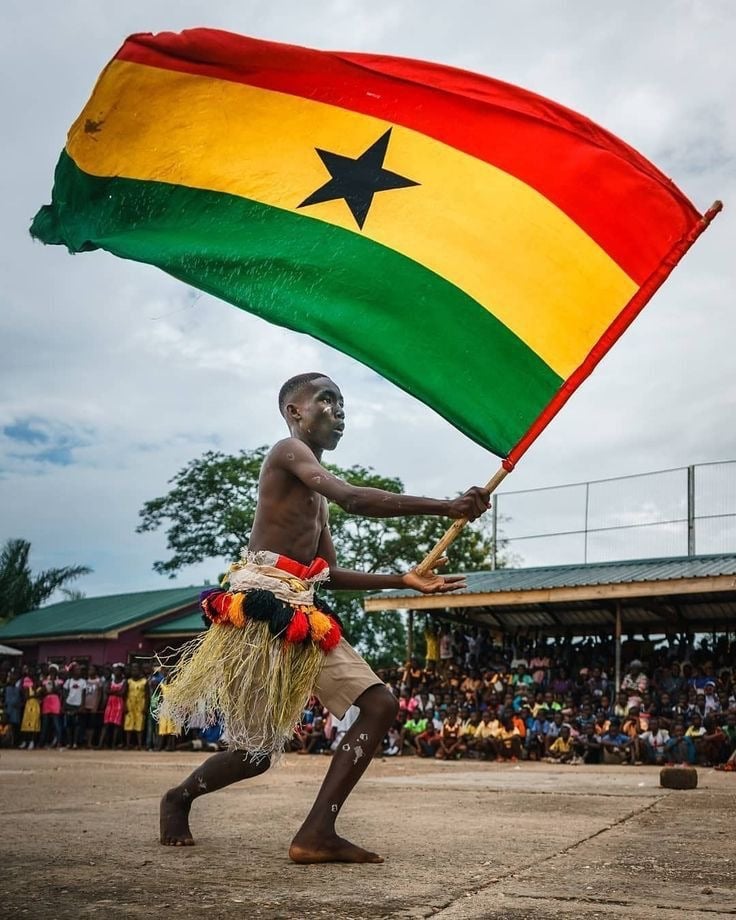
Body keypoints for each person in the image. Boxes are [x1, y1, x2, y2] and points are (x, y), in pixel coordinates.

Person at [158, 373, 490, 863]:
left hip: (303, 611)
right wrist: (445, 506)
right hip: (261, 610)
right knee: (254, 755)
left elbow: (326, 574)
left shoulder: (316, 500)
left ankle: (317, 832)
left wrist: (402, 579)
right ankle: (178, 798)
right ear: (294, 412)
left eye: (342, 403)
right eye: (327, 400)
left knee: (378, 704)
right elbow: (352, 497)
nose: (339, 412)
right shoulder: (287, 452)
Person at [123, 662, 148, 750]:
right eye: (133, 670)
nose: (134, 671)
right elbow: (125, 694)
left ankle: (140, 744)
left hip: (140, 705)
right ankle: (128, 744)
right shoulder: (128, 681)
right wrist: (125, 706)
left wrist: (145, 707)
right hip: (130, 704)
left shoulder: (144, 681)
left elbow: (147, 695)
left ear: (140, 671)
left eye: (136, 670)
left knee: (139, 724)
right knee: (128, 724)